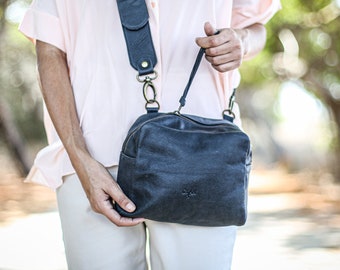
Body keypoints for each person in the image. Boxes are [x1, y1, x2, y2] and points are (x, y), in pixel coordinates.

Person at [20, 0, 280, 269]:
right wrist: (80, 158)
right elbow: (49, 50)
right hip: (93, 161)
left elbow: (255, 25)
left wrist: (243, 41)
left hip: (202, 159)